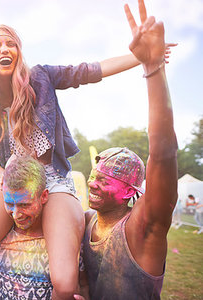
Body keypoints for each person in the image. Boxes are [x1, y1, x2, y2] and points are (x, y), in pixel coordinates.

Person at [0, 13, 177, 300]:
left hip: (52, 180)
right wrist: (4, 178)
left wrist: (142, 58)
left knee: (64, 282)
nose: (5, 49)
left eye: (11, 43)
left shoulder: (40, 77)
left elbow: (87, 71)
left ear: (18, 51)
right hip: (12, 184)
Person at [79, 1, 178, 299]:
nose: (93, 182)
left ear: (129, 191)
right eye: (95, 174)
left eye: (105, 179)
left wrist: (153, 68)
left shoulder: (143, 229)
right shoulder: (84, 221)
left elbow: (163, 152)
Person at [0, 155, 52, 299]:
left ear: (44, 196)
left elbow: (82, 284)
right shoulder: (0, 231)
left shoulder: (60, 237)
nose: (16, 215)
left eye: (24, 205)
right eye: (9, 204)